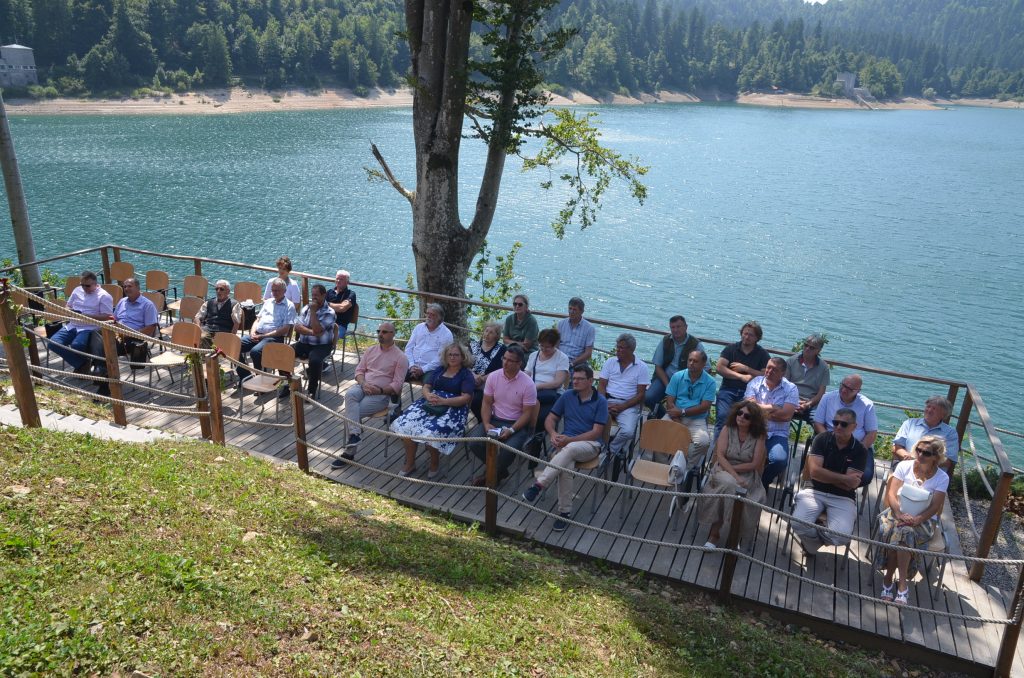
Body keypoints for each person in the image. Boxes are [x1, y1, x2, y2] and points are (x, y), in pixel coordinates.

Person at [521, 364, 609, 531]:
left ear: (590, 381)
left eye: (580, 379)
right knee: (566, 466)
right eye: (574, 378)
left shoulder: (601, 401)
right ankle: (564, 513)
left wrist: (569, 440)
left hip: (590, 445)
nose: (575, 381)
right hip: (566, 444)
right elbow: (550, 419)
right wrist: (553, 434)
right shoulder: (567, 396)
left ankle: (538, 485)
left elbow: (596, 432)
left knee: (569, 450)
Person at [877, 435, 949, 605]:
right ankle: (902, 586)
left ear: (936, 457)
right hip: (896, 512)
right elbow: (892, 494)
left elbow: (935, 507)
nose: (921, 454)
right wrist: (900, 514)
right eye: (919, 450)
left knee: (903, 532)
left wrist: (918, 519)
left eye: (927, 452)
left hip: (924, 520)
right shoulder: (904, 466)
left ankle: (888, 580)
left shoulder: (942, 478)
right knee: (903, 531)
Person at [791, 407, 868, 557]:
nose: (838, 426)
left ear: (854, 426)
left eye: (844, 424)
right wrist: (844, 478)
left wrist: (824, 475)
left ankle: (811, 545)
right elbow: (814, 473)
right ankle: (812, 546)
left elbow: (852, 485)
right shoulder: (822, 439)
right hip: (814, 491)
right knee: (797, 523)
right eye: (835, 422)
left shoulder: (860, 450)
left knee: (840, 537)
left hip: (843, 497)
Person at [391, 342, 475, 479]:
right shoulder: (440, 369)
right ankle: (410, 462)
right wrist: (428, 395)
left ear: (463, 357)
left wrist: (444, 401)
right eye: (450, 355)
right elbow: (426, 386)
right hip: (430, 403)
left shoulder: (466, 375)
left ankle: (435, 462)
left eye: (456, 355)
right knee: (405, 424)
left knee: (432, 432)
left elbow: (466, 398)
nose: (452, 357)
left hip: (453, 410)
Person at [334, 322, 409, 467]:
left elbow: (397, 385)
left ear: (393, 334)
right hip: (363, 386)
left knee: (352, 414)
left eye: (385, 332)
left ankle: (349, 453)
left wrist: (379, 390)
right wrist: (363, 384)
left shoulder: (401, 357)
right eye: (379, 331)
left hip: (380, 395)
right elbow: (359, 371)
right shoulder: (370, 350)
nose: (380, 334)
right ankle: (355, 435)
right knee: (350, 394)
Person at [699, 401, 768, 548]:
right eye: (739, 413)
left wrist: (736, 471)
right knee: (730, 485)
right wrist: (735, 476)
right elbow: (721, 456)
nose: (741, 417)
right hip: (723, 469)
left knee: (743, 494)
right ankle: (732, 533)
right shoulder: (727, 429)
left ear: (753, 420)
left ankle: (715, 533)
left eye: (747, 416)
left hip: (747, 473)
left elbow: (755, 464)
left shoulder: (759, 436)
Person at [470, 344, 538, 486]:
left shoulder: (528, 384)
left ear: (519, 363)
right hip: (495, 419)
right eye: (504, 358)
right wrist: (487, 423)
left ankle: (489, 476)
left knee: (508, 450)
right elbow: (487, 403)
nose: (505, 363)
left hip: (516, 424)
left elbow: (527, 414)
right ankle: (499, 471)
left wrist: (512, 430)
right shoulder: (494, 377)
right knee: (474, 442)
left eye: (510, 360)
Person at [92, 277, 159, 396]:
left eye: (130, 286)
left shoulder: (147, 305)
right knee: (94, 333)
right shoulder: (122, 301)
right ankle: (101, 371)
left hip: (133, 338)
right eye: (125, 286)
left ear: (138, 288)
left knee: (105, 348)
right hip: (117, 333)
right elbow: (115, 319)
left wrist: (129, 334)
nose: (126, 288)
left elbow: (151, 327)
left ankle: (102, 378)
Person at [598, 333, 650, 478]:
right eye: (618, 347)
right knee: (594, 422)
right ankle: (599, 446)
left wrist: (622, 407)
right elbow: (601, 385)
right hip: (607, 401)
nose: (618, 350)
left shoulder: (642, 367)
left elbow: (640, 395)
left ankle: (609, 450)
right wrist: (604, 404)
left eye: (622, 348)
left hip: (628, 404)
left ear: (631, 349)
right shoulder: (610, 362)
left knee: (628, 432)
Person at [744, 357, 799, 490]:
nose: (769, 371)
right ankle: (744, 480)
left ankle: (762, 483)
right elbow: (748, 408)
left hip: (777, 433)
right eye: (768, 367)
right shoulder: (755, 382)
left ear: (783, 373)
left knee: (779, 461)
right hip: (752, 429)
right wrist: (774, 407)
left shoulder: (791, 388)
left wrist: (759, 410)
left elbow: (786, 415)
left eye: (774, 370)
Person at [663, 348, 717, 474]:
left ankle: (685, 467)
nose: (691, 363)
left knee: (703, 442)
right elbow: (669, 401)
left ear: (704, 365)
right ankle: (663, 465)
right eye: (690, 360)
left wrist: (682, 412)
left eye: (696, 361)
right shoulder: (677, 376)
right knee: (660, 433)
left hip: (696, 419)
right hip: (674, 416)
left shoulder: (710, 382)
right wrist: (677, 419)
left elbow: (705, 406)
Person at [714, 321, 770, 440]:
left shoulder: (762, 354)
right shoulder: (731, 349)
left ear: (757, 338)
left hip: (749, 394)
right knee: (723, 417)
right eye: (745, 333)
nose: (747, 337)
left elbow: (766, 374)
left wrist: (745, 369)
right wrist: (741, 376)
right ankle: (716, 453)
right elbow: (719, 367)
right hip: (728, 390)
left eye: (751, 335)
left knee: (746, 420)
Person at [51, 270, 114, 374]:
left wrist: (86, 316)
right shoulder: (77, 290)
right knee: (53, 343)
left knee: (78, 345)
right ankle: (81, 364)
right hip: (72, 325)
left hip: (90, 327)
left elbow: (108, 317)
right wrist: (68, 311)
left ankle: (82, 365)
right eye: (82, 285)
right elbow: (68, 305)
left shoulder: (104, 296)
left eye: (87, 286)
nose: (84, 288)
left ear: (95, 284)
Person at [237, 278, 296, 382]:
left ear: (284, 291)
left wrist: (263, 336)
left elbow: (285, 329)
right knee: (235, 345)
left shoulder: (289, 306)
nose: (274, 293)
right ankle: (245, 375)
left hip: (274, 338)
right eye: (273, 290)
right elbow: (257, 319)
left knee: (255, 352)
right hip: (258, 335)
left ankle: (261, 380)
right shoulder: (268, 302)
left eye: (277, 290)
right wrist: (252, 332)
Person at [646, 315, 706, 417]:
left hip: (685, 381)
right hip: (665, 378)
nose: (675, 330)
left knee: (686, 403)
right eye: (673, 327)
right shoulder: (665, 341)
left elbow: (705, 368)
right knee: (648, 398)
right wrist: (669, 385)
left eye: (678, 327)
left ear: (686, 327)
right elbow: (658, 366)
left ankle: (680, 421)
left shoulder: (696, 344)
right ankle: (664, 416)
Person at [284, 283, 336, 399]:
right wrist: (313, 333)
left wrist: (313, 312)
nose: (314, 298)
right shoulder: (306, 308)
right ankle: (288, 384)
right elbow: (297, 327)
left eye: (317, 295)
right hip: (304, 343)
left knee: (315, 361)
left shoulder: (329, 312)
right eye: (313, 295)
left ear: (324, 295)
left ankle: (311, 390)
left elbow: (317, 328)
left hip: (321, 345)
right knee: (284, 353)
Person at [893, 397, 959, 474]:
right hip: (907, 467)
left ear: (943, 414)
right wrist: (908, 456)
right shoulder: (909, 423)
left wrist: (923, 462)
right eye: (928, 406)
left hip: (932, 473)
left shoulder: (950, 433)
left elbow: (949, 461)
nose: (929, 410)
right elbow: (896, 447)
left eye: (934, 409)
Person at [813, 374, 878, 451]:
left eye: (849, 389)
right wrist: (828, 440)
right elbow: (818, 423)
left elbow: (872, 433)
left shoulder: (867, 405)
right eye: (843, 385)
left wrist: (859, 450)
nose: (844, 390)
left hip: (857, 446)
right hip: (829, 442)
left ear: (858, 391)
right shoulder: (827, 398)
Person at [524, 328, 570, 425]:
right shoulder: (533, 355)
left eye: (547, 347)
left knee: (541, 417)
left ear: (555, 345)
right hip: (532, 391)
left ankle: (535, 433)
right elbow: (526, 375)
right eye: (541, 346)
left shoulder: (562, 358)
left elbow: (558, 382)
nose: (544, 349)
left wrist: (538, 387)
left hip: (551, 393)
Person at [786, 334, 830, 421]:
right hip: (790, 398)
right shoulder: (791, 361)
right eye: (806, 345)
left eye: (812, 348)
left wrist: (808, 404)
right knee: (773, 412)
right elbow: (784, 384)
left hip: (811, 403)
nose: (807, 349)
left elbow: (821, 393)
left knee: (819, 421)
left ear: (819, 350)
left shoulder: (823, 367)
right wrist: (794, 401)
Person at [404, 303, 454, 380]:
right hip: (412, 365)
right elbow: (408, 348)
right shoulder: (419, 327)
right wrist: (411, 365)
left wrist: (422, 369)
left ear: (440, 318)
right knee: (395, 375)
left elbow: (441, 358)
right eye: (427, 313)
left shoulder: (446, 334)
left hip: (431, 369)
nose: (428, 316)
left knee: (430, 383)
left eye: (433, 315)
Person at [469, 321, 506, 421]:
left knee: (477, 400)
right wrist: (474, 376)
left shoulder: (502, 349)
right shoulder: (474, 345)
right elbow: (464, 364)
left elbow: (502, 369)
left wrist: (483, 378)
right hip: (470, 377)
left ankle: (482, 421)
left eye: (491, 332)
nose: (487, 334)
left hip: (489, 381)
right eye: (486, 331)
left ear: (496, 336)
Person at [195, 279, 242, 349]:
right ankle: (206, 357)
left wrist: (231, 337)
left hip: (224, 331)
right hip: (208, 329)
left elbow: (236, 323)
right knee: (202, 336)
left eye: (221, 289)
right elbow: (198, 317)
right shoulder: (209, 302)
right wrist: (199, 329)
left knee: (206, 340)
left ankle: (209, 357)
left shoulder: (234, 304)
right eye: (216, 289)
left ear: (228, 291)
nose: (218, 291)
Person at [556, 297, 595, 369]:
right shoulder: (561, 324)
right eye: (570, 309)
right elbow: (556, 345)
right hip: (560, 360)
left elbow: (588, 353)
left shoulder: (589, 328)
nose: (571, 312)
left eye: (574, 309)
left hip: (577, 363)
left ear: (581, 311)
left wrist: (572, 364)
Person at [326, 269, 357, 334]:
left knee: (327, 336)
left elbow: (342, 308)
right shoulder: (329, 292)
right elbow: (319, 305)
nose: (338, 281)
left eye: (341, 279)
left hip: (340, 325)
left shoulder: (351, 294)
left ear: (347, 282)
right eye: (337, 279)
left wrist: (326, 304)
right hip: (325, 322)